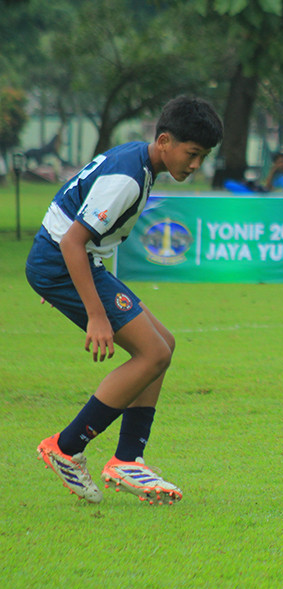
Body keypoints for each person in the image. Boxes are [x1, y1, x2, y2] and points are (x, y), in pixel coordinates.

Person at [26, 95, 223, 506]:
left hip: (69, 263)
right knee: (151, 353)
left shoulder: (141, 162)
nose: (195, 165)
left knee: (163, 344)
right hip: (64, 261)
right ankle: (66, 447)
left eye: (202, 156)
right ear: (165, 140)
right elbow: (74, 240)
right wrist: (93, 312)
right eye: (192, 154)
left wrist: (61, 281)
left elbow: (72, 216)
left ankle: (129, 458)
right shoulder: (129, 177)